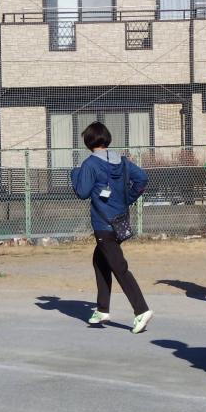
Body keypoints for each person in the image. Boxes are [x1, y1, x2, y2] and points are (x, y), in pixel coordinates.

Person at [71, 121, 153, 334]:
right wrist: (128, 198)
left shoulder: (90, 164)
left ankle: (141, 310)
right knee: (100, 261)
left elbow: (81, 192)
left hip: (103, 224)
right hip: (120, 221)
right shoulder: (122, 161)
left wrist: (74, 173)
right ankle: (102, 309)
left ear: (89, 142)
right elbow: (142, 179)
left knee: (119, 267)